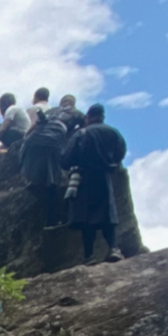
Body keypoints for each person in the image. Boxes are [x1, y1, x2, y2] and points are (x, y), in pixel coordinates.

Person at [60, 103, 128, 264]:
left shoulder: (81, 134)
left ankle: (89, 255)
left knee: (86, 217)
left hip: (84, 179)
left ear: (88, 117)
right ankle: (114, 248)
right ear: (102, 116)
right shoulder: (114, 133)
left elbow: (65, 159)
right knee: (108, 215)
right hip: (104, 177)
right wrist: (111, 164)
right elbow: (121, 153)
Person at [20, 94, 82, 225]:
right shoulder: (76, 112)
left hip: (32, 142)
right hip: (53, 142)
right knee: (52, 181)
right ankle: (52, 219)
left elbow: (32, 128)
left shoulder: (50, 111)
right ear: (73, 104)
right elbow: (86, 128)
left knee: (36, 177)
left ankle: (32, 183)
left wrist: (24, 140)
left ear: (61, 103)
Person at [0, 93, 31, 158]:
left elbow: (2, 129)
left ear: (5, 104)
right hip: (22, 137)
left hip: (20, 136)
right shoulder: (16, 110)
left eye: (0, 106)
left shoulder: (11, 109)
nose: (0, 110)